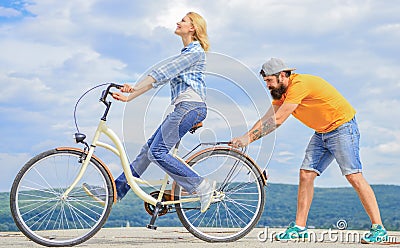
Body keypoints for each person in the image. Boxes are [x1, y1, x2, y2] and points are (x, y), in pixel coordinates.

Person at [230, 58, 388, 243]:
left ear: (282, 76)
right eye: (265, 82)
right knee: (306, 174)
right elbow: (267, 117)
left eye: (269, 81)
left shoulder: (300, 85)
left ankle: (379, 228)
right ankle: (299, 227)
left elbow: (278, 120)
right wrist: (245, 137)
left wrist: (249, 138)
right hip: (322, 132)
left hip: (342, 128)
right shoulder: (280, 93)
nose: (267, 85)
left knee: (353, 175)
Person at [84, 12, 215, 213]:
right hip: (184, 108)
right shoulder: (186, 52)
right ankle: (116, 192)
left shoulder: (194, 52)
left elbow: (162, 73)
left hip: (191, 107)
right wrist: (130, 95)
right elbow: (158, 79)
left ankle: (200, 185)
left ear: (192, 28)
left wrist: (134, 88)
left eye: (183, 21)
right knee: (147, 151)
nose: (178, 22)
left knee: (157, 152)